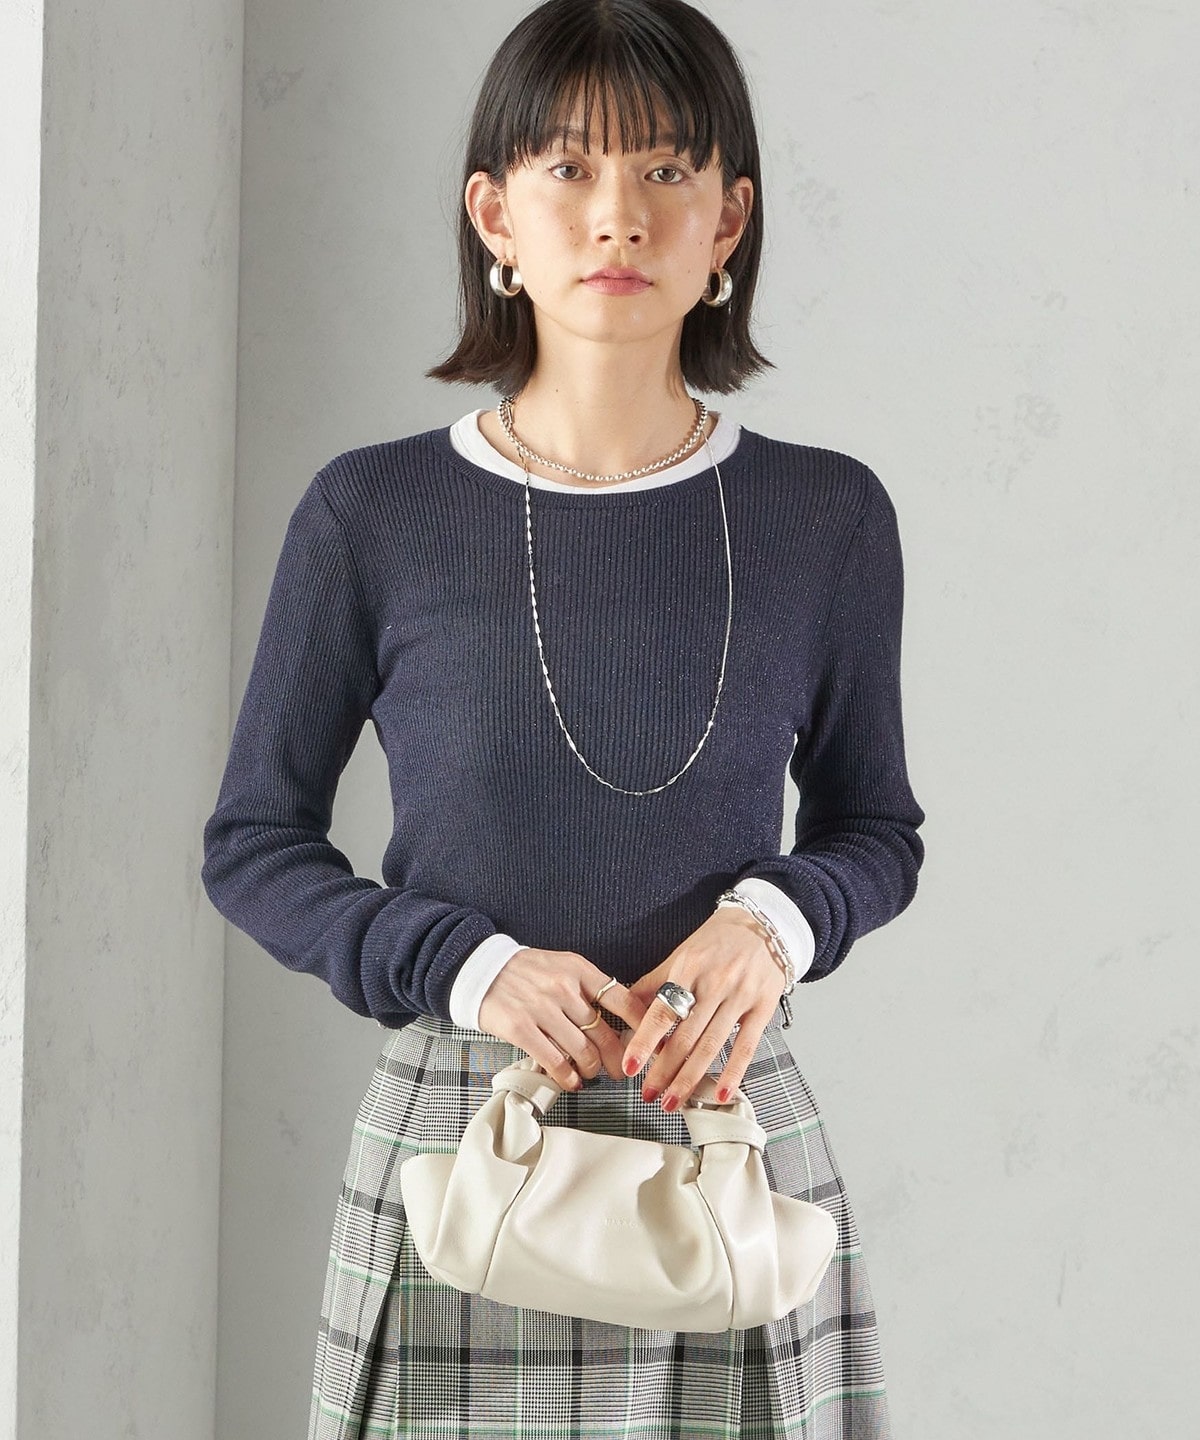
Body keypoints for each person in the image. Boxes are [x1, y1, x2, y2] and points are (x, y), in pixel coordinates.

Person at [201, 0, 925, 1434]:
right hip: (466, 1144)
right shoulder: (372, 512)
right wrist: (463, 966)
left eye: (666, 171)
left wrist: (772, 925)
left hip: (723, 1139)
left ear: (729, 221)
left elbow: (875, 831)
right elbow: (253, 846)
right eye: (570, 169)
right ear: (496, 215)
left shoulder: (825, 515)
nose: (618, 217)